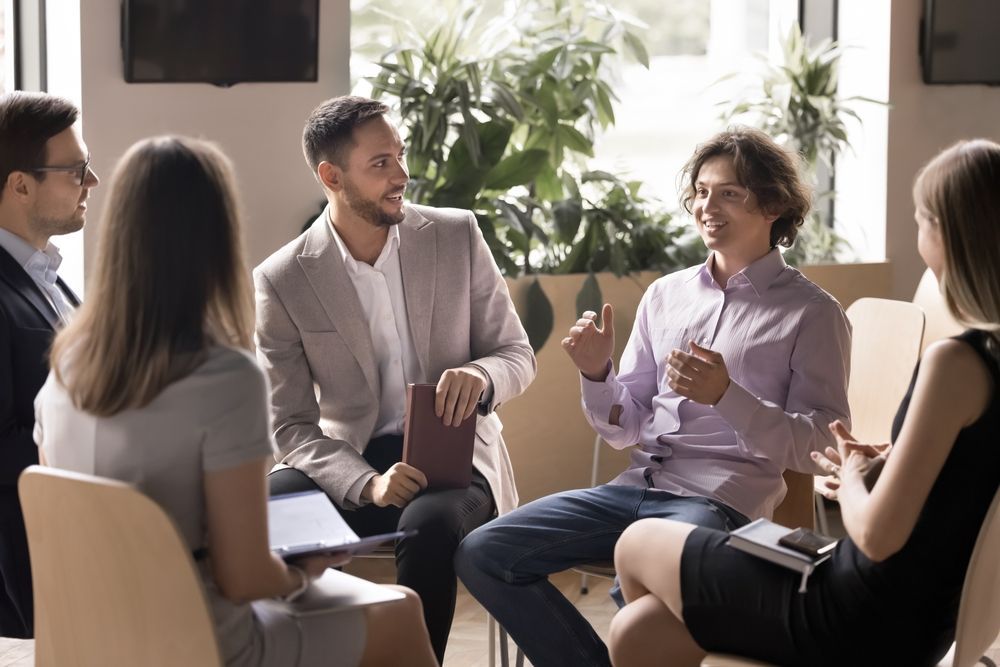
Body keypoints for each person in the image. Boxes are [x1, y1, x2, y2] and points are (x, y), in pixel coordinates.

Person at [33, 135, 437, 667]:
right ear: (218, 234)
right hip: (202, 639)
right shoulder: (222, 375)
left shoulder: (66, 365)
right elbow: (244, 577)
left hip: (93, 636)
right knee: (401, 610)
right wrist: (302, 569)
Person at [455, 126, 852, 667]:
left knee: (654, 609)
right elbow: (629, 426)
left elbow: (819, 448)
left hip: (718, 505)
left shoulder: (813, 313)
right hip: (635, 489)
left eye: (730, 193)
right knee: (483, 552)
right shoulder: (665, 295)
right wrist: (598, 374)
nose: (708, 206)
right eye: (702, 192)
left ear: (774, 205)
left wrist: (727, 397)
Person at [609, 138, 1000, 667]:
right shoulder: (984, 359)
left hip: (857, 610)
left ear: (953, 234)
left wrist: (857, 476)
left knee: (636, 542)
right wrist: (888, 461)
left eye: (922, 218)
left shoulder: (953, 364)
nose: (919, 232)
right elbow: (961, 481)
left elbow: (876, 536)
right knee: (640, 632)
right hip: (916, 617)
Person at [254, 95, 536, 662]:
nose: (401, 176)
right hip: (349, 459)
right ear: (331, 176)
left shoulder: (456, 236)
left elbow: (516, 354)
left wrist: (480, 376)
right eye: (380, 164)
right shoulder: (283, 277)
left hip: (452, 458)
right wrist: (366, 484)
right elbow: (290, 426)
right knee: (261, 513)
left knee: (426, 530)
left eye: (400, 157)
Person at [0, 91, 99, 638]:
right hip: (29, 555)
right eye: (77, 170)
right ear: (20, 185)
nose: (93, 182)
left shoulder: (49, 276)